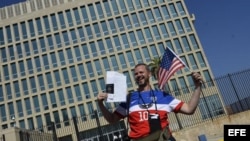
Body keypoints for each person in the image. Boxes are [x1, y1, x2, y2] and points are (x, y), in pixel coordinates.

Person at [97, 63, 203, 141]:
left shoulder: (163, 96)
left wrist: (197, 86)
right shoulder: (129, 99)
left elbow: (189, 109)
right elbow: (111, 119)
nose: (138, 75)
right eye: (136, 74)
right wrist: (101, 104)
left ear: (149, 74)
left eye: (141, 72)